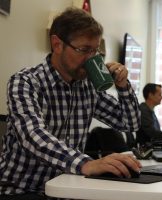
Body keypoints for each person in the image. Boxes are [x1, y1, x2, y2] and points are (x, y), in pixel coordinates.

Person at [0, 7, 141, 199]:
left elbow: (129, 123)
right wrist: (85, 163)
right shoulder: (25, 82)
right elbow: (33, 136)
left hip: (69, 189)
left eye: (95, 51)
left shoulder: (87, 86)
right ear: (57, 44)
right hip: (23, 191)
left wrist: (123, 87)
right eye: (84, 50)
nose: (92, 58)